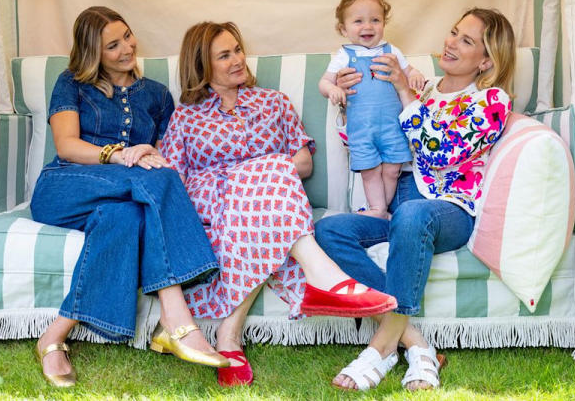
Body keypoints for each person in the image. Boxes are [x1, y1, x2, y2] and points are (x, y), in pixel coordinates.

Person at [160, 21, 400, 387]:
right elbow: (172, 182)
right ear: (202, 66)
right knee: (267, 176)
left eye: (237, 49)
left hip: (272, 206)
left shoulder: (273, 102)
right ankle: (397, 331)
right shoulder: (187, 117)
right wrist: (252, 174)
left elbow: (303, 163)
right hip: (214, 204)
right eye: (225, 55)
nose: (238, 59)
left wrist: (262, 175)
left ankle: (229, 335)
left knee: (267, 186)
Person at [315, 8, 516, 391]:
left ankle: (379, 348)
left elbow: (440, 153)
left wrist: (404, 93)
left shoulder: (492, 100)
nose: (451, 43)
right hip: (403, 207)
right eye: (454, 32)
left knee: (410, 213)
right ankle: (415, 342)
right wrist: (351, 100)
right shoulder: (426, 88)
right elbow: (373, 144)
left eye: (466, 41)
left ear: (487, 59)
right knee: (329, 231)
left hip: (450, 209)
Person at [29, 6, 231, 388]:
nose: (127, 48)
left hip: (124, 196)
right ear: (94, 54)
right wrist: (119, 155)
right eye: (112, 45)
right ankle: (177, 319)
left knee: (129, 218)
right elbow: (68, 145)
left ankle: (54, 336)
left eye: (127, 35)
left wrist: (147, 153)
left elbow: (161, 152)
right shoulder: (71, 83)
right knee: (155, 178)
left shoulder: (156, 94)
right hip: (67, 186)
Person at [317, 0, 426, 218]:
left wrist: (414, 74)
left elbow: (408, 70)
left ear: (384, 23)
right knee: (369, 171)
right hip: (362, 129)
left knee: (392, 170)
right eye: (358, 21)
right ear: (343, 29)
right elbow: (324, 83)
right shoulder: (345, 55)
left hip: (392, 127)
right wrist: (333, 88)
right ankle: (378, 208)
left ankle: (381, 209)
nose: (368, 26)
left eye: (375, 20)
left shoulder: (391, 50)